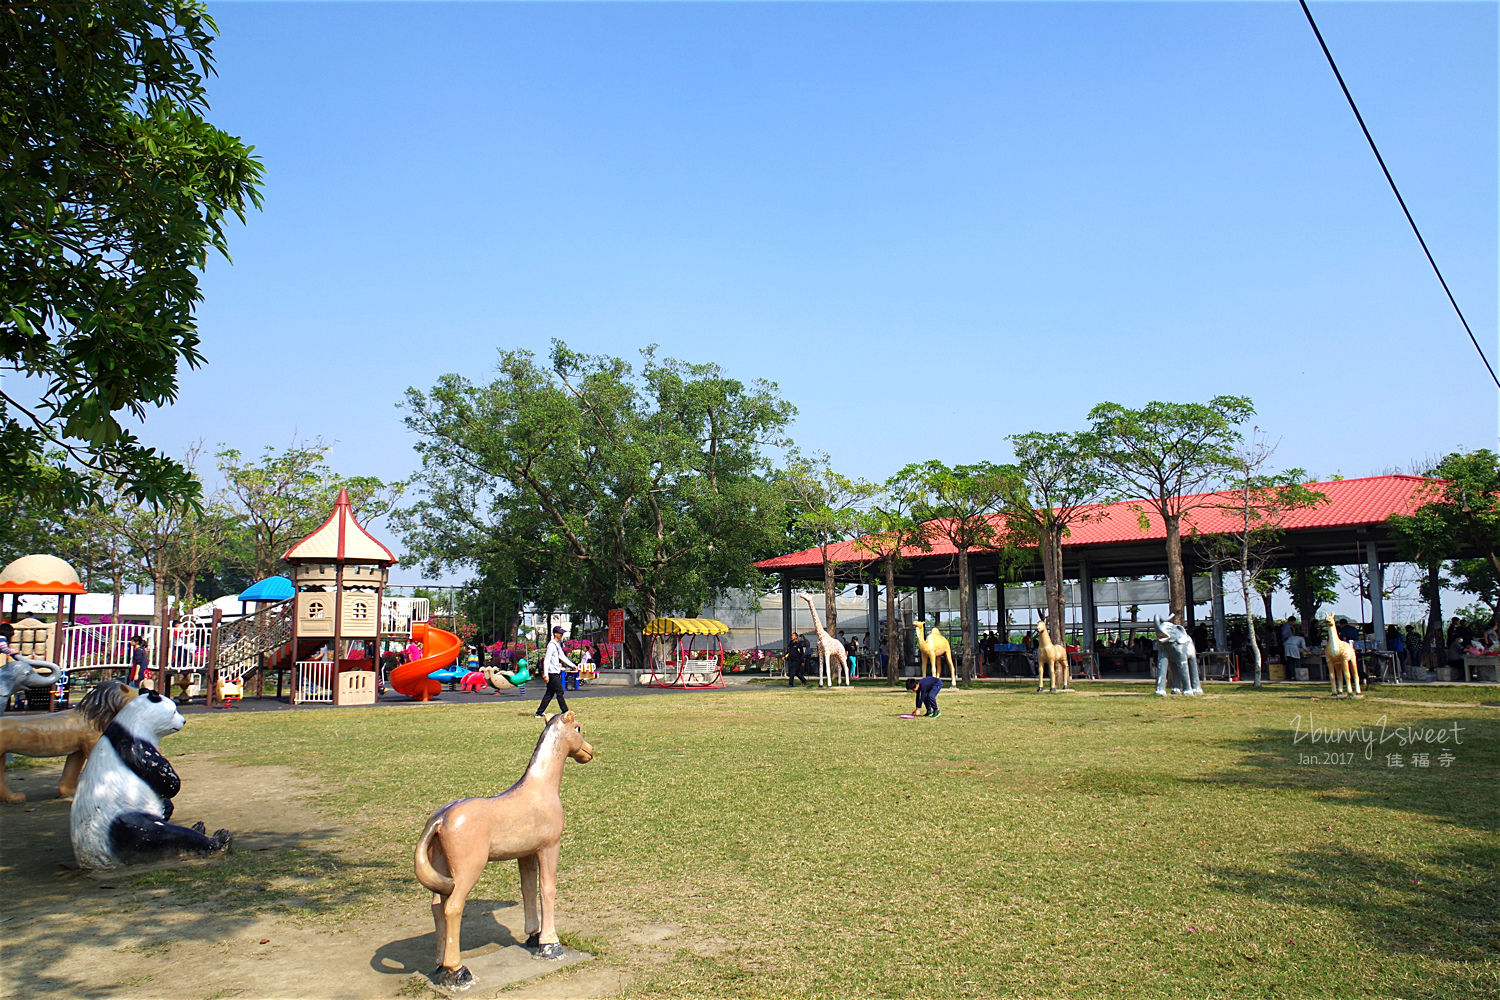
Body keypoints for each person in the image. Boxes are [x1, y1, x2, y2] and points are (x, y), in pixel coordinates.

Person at [536, 625, 570, 718]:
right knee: (560, 692)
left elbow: (562, 657)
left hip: (555, 672)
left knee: (549, 694)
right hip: (552, 673)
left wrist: (573, 665)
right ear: (555, 634)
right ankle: (565, 711)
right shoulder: (551, 645)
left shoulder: (557, 645)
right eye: (560, 633)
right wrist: (546, 674)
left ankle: (539, 712)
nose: (562, 635)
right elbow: (546, 660)